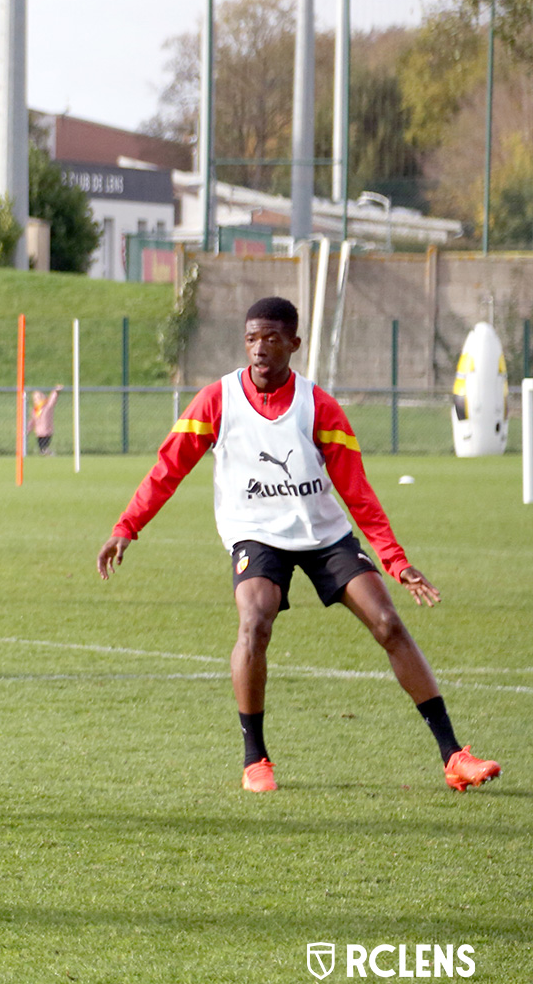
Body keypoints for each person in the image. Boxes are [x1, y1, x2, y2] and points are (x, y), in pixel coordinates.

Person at [96, 296, 500, 795]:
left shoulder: (320, 406)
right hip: (256, 535)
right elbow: (168, 467)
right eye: (251, 338)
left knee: (388, 622)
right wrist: (126, 527)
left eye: (270, 338)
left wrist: (396, 562)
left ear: (294, 343)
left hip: (323, 535)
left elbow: (358, 493)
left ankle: (453, 755)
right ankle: (255, 760)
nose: (259, 348)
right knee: (255, 620)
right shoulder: (216, 401)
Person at [29, 385, 63, 456]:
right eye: (35, 399)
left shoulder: (47, 407)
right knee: (41, 446)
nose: (36, 400)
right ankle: (45, 452)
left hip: (47, 431)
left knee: (44, 445)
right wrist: (27, 429)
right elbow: (32, 421)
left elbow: (52, 400)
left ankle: (47, 452)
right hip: (39, 432)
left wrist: (56, 392)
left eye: (38, 398)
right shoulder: (35, 410)